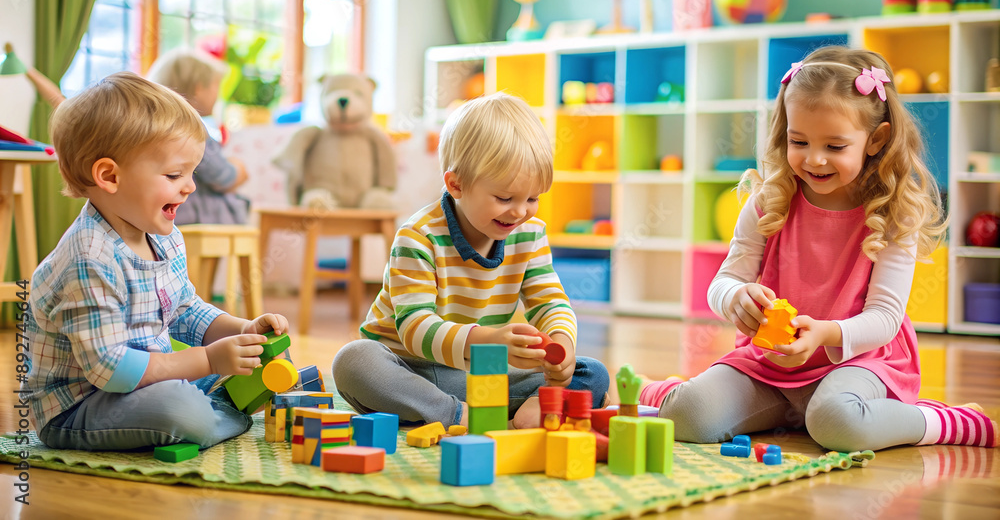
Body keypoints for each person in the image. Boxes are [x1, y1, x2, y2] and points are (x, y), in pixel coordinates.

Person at [640, 46, 996, 451]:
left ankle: (946, 421)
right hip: (771, 365)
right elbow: (725, 280)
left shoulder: (892, 213)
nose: (814, 159)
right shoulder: (768, 201)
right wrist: (735, 298)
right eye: (799, 140)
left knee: (837, 424)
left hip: (859, 362)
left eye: (835, 146)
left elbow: (885, 318)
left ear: (875, 140)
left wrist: (825, 333)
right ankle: (673, 394)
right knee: (687, 417)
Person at [25, 72, 289, 451]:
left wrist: (241, 329)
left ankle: (216, 407)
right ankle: (217, 413)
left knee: (262, 354)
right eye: (174, 174)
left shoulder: (162, 236)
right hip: (82, 407)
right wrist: (209, 361)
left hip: (148, 380)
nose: (190, 186)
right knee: (182, 411)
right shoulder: (88, 258)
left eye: (192, 172)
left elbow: (182, 309)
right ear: (109, 176)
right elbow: (110, 369)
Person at [332, 92, 609, 429]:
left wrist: (561, 347)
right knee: (354, 361)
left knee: (591, 373)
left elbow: (550, 303)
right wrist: (488, 340)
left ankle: (529, 409)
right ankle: (458, 415)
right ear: (456, 184)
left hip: (479, 374)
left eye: (532, 198)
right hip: (410, 368)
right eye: (505, 198)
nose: (520, 212)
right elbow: (415, 328)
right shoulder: (418, 237)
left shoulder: (530, 233)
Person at [146, 47, 250, 225]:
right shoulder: (192, 129)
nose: (218, 96)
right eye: (216, 87)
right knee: (238, 204)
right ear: (199, 89)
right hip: (194, 217)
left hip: (159, 213)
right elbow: (222, 177)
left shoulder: (153, 126)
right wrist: (239, 170)